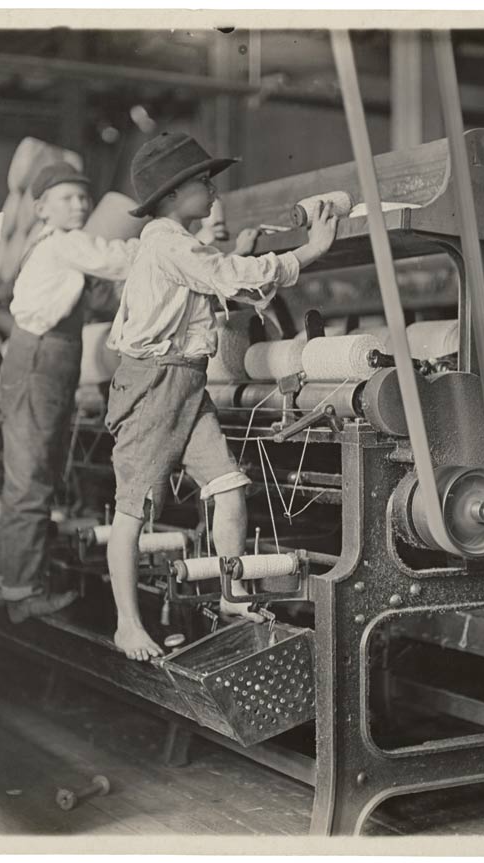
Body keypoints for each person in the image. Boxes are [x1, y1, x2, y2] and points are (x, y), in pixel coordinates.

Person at [104, 132, 338, 661]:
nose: (214, 191)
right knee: (132, 511)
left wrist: (248, 261)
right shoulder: (167, 241)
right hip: (154, 384)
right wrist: (310, 251)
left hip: (187, 381)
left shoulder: (180, 243)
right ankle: (126, 624)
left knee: (229, 487)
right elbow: (229, 276)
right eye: (203, 182)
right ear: (170, 195)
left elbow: (225, 279)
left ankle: (232, 594)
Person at [0, 162, 140, 623]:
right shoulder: (64, 242)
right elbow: (118, 259)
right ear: (41, 208)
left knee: (27, 476)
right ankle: (23, 593)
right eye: (67, 198)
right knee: (33, 478)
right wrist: (166, 241)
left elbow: (99, 295)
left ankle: (3, 580)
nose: (79, 205)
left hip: (41, 358)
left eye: (83, 197)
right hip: (42, 360)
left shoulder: (54, 247)